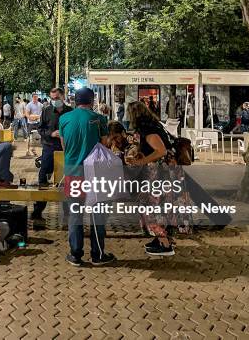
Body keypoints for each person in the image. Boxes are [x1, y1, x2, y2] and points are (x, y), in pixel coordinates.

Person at [126, 101, 193, 257]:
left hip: (159, 175)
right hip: (168, 174)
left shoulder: (148, 130)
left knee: (152, 207)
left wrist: (141, 161)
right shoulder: (156, 126)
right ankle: (162, 239)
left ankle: (165, 244)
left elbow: (161, 151)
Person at [59, 87, 115, 266]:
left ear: (75, 101)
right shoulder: (99, 119)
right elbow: (105, 144)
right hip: (95, 173)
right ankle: (98, 254)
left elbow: (64, 145)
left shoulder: (64, 118)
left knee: (75, 214)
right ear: (92, 101)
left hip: (72, 173)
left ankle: (75, 254)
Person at [33, 87, 73, 220]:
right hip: (49, 147)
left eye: (56, 98)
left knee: (66, 179)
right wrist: (51, 133)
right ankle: (38, 209)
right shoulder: (47, 110)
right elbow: (40, 128)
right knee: (43, 176)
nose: (54, 101)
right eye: (52, 98)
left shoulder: (70, 112)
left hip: (65, 149)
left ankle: (67, 212)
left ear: (63, 97)